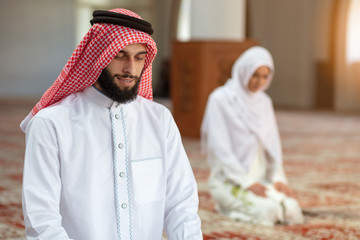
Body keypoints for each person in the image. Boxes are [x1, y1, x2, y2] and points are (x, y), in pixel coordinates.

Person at [20, 8, 202, 240]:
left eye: (139, 57)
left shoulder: (159, 119)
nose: (131, 69)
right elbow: (42, 220)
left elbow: (181, 204)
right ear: (99, 57)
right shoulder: (51, 124)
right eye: (120, 55)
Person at [201, 46, 304, 226]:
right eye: (255, 75)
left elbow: (272, 147)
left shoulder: (264, 102)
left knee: (292, 210)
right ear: (244, 71)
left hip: (260, 180)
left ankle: (247, 203)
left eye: (265, 76)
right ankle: (225, 205)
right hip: (229, 180)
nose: (259, 82)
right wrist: (245, 181)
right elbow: (220, 148)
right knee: (269, 211)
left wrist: (278, 178)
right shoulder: (220, 99)